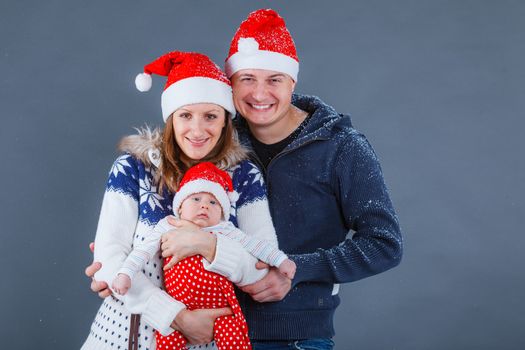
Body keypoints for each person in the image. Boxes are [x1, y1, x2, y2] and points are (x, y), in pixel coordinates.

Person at [88, 8, 404, 350]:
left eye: (274, 80)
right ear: (230, 85)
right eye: (247, 79)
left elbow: (385, 244)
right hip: (206, 333)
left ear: (292, 82)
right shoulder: (214, 142)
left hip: (292, 333)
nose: (259, 94)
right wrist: (123, 264)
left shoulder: (341, 148)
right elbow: (160, 229)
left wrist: (296, 269)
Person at [82, 51, 282, 350]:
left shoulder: (244, 177)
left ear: (226, 120)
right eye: (186, 115)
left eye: (211, 116)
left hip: (208, 342)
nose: (198, 130)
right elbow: (109, 261)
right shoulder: (134, 168)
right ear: (171, 118)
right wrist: (177, 317)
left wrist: (205, 244)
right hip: (124, 336)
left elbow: (261, 268)